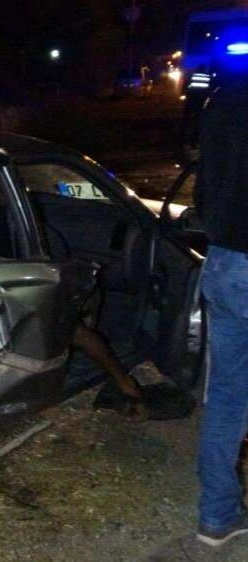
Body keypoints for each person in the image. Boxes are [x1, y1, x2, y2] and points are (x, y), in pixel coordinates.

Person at [194, 66, 248, 547]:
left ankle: (216, 515)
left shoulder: (223, 98)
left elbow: (204, 185)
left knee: (228, 396)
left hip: (224, 262)